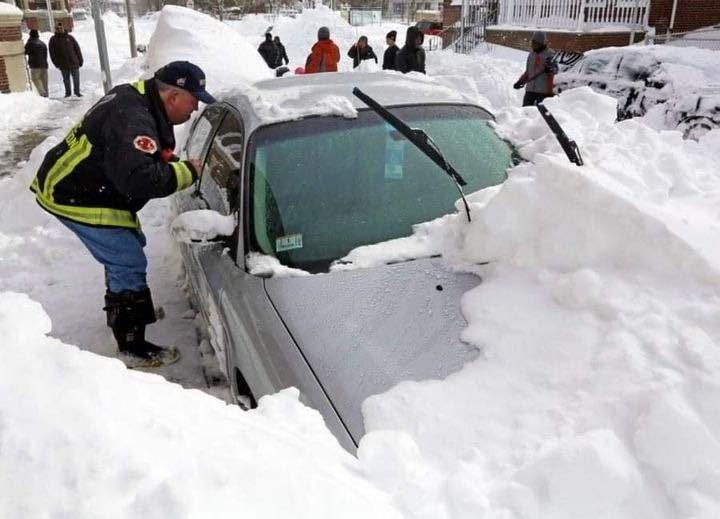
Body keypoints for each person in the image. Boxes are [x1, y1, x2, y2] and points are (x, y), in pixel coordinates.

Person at [30, 61, 215, 367]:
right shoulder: (133, 117)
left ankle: (127, 306)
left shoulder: (141, 100)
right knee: (126, 258)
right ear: (172, 97)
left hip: (89, 186)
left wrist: (166, 159)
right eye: (193, 101)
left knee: (126, 247)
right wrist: (186, 173)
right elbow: (138, 178)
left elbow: (139, 151)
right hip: (72, 193)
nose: (194, 109)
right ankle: (131, 342)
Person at [513, 31, 558, 107]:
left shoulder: (550, 54)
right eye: (532, 42)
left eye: (535, 42)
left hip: (544, 92)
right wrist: (520, 81)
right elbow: (528, 72)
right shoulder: (531, 55)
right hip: (530, 90)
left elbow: (556, 70)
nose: (532, 44)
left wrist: (551, 68)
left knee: (540, 116)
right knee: (525, 111)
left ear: (541, 43)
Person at [49, 21, 83, 97]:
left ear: (63, 28)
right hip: (63, 64)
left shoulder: (70, 37)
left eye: (61, 27)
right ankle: (68, 93)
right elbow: (52, 53)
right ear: (56, 29)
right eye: (58, 28)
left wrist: (80, 60)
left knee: (76, 79)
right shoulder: (53, 40)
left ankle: (77, 92)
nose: (60, 29)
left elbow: (77, 49)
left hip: (74, 62)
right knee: (66, 80)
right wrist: (56, 64)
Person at [24, 29, 48, 97]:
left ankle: (42, 94)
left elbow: (25, 52)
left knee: (36, 79)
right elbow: (45, 54)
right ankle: (46, 94)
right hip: (44, 65)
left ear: (30, 35)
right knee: (44, 81)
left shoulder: (30, 43)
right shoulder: (42, 43)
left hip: (35, 65)